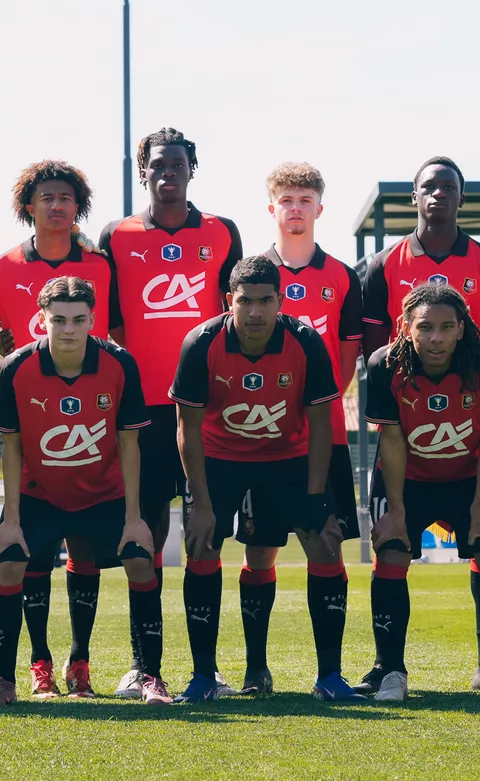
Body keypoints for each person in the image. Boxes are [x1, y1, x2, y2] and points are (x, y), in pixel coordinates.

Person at [169, 255, 364, 703]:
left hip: (288, 457)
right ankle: (204, 677)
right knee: (202, 544)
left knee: (325, 543)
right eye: (245, 301)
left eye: (265, 301)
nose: (255, 312)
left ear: (281, 301)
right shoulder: (200, 342)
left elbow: (321, 426)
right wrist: (200, 505)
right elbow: (187, 429)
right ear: (229, 300)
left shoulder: (306, 342)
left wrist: (316, 501)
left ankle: (329, 677)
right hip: (220, 458)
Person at [99, 127, 242, 700]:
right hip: (145, 412)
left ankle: (206, 671)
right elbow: (110, 321)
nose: (168, 173)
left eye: (177, 164)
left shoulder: (222, 231)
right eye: (158, 165)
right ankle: (145, 666)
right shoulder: (117, 235)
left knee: (206, 533)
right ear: (144, 172)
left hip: (206, 410)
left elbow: (236, 316)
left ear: (191, 169)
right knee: (148, 533)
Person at [0, 276, 171, 706]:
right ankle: (12, 676)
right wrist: (10, 520)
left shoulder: (119, 363)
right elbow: (12, 445)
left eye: (78, 319)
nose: (69, 329)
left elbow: (129, 443)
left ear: (93, 319)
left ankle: (150, 676)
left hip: (104, 494)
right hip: (39, 495)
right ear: (42, 319)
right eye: (58, 320)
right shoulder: (16, 368)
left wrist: (134, 517)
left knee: (140, 560)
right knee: (9, 563)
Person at [234, 162, 362, 694]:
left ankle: (329, 674)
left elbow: (345, 362)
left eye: (304, 199)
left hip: (323, 438)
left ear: (319, 208)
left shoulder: (342, 277)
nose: (295, 208)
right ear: (272, 208)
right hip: (259, 441)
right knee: (259, 550)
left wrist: (311, 407)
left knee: (326, 546)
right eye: (286, 199)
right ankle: (255, 669)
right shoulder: (251, 274)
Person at [0, 160, 112, 699]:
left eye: (66, 197)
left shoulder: (101, 265)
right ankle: (38, 663)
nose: (56, 205)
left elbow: (115, 340)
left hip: (90, 425)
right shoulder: (4, 266)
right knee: (34, 551)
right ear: (29, 206)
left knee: (84, 549)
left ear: (78, 206)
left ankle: (79, 662)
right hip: (29, 425)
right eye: (46, 197)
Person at [361, 282, 480, 700]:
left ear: (461, 329)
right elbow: (392, 441)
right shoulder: (384, 365)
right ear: (406, 327)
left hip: (469, 476)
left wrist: (479, 504)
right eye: (425, 327)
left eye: (446, 327)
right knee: (391, 551)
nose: (436, 338)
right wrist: (395, 510)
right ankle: (390, 670)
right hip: (407, 478)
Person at [362, 156, 480, 363]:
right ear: (414, 197)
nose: (439, 193)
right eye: (429, 186)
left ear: (461, 199)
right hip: (405, 382)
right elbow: (375, 355)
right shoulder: (383, 264)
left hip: (471, 381)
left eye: (449, 187)